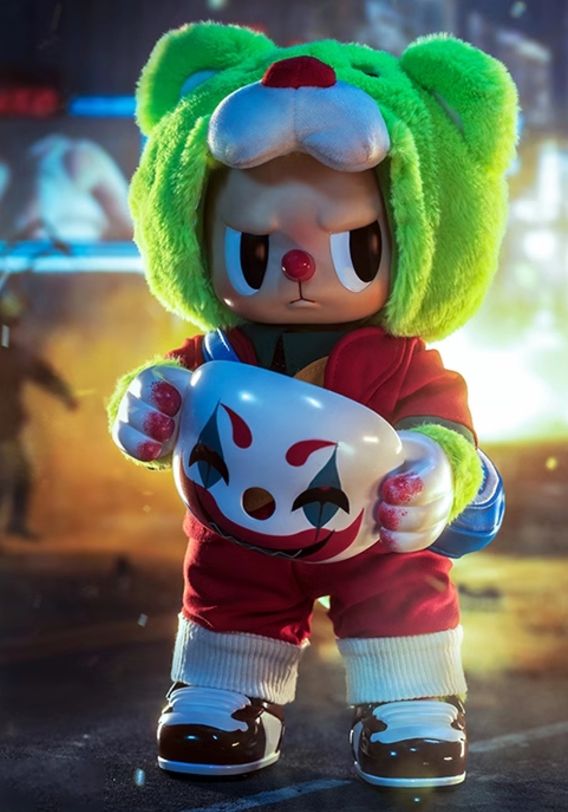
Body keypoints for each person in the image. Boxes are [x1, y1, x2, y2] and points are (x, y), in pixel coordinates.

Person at [109, 23, 517, 789]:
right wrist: (147, 408)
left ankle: (410, 697)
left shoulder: (405, 363)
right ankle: (226, 691)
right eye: (255, 248)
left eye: (356, 245)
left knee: (401, 585)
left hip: (373, 532)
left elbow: (447, 432)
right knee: (230, 583)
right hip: (241, 530)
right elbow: (162, 392)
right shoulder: (217, 353)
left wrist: (434, 470)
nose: (298, 267)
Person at [0, 290, 78, 539]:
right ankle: (15, 523)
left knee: (19, 473)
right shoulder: (13, 355)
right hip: (6, 429)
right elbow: (42, 374)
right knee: (15, 474)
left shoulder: (14, 355)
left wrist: (65, 394)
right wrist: (65, 394)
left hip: (7, 428)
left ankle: (16, 522)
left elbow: (43, 374)